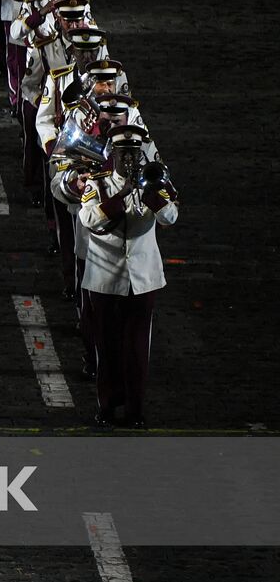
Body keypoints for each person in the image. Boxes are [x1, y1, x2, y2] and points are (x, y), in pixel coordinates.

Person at [77, 124, 178, 428]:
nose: (131, 160)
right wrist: (120, 196)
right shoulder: (99, 183)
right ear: (113, 155)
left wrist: (152, 197)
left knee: (136, 349)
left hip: (142, 278)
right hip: (105, 279)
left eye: (135, 153)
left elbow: (171, 217)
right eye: (124, 154)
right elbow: (88, 219)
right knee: (106, 346)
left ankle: (135, 409)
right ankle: (107, 406)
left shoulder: (155, 182)